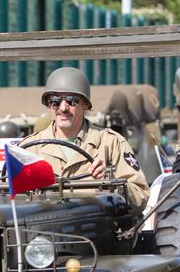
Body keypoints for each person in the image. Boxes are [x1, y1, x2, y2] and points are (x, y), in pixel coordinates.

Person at [20, 67, 149, 211]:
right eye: (55, 100)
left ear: (85, 104)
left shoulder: (111, 143)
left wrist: (111, 184)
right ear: (48, 104)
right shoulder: (29, 148)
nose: (63, 108)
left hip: (96, 230)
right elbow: (4, 195)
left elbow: (140, 195)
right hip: (41, 230)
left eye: (72, 101)